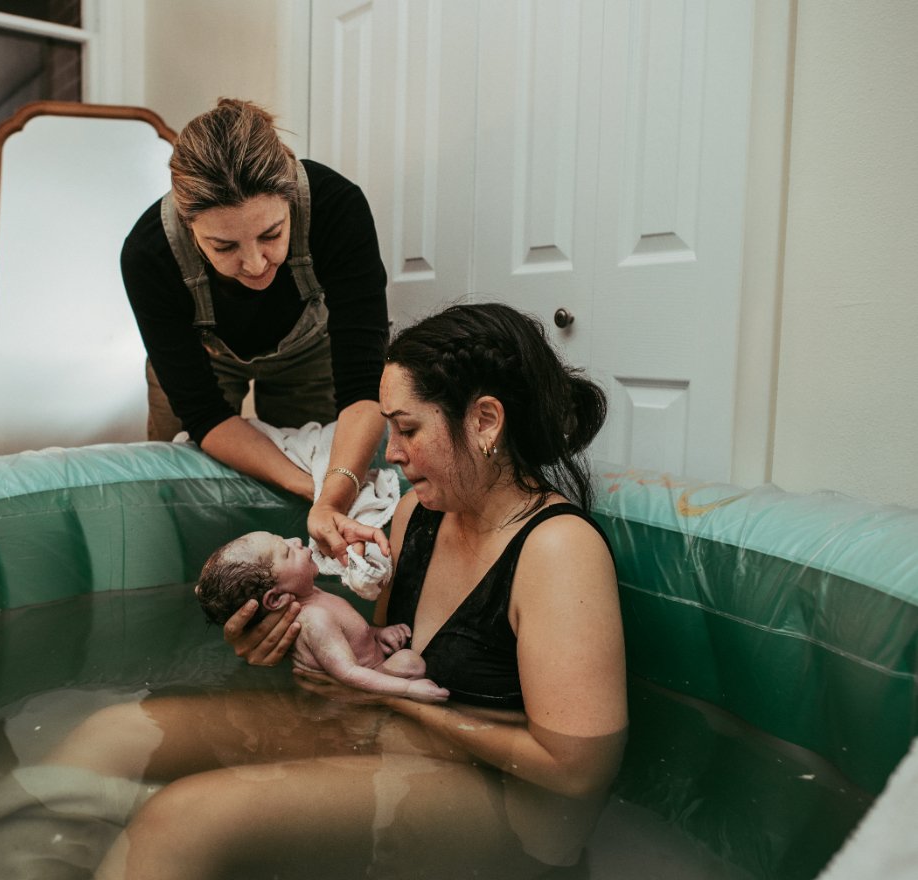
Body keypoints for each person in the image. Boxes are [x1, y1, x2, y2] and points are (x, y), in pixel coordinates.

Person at [49, 302, 627, 879]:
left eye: (407, 429)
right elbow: (370, 653)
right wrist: (287, 639)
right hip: (390, 734)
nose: (391, 453)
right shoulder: (417, 515)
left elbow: (574, 770)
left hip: (502, 803)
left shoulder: (557, 551)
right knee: (115, 734)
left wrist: (395, 701)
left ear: (485, 421)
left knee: (185, 817)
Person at [121, 97, 389, 563]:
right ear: (188, 223)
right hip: (202, 360)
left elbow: (363, 390)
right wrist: (308, 484)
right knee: (180, 491)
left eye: (271, 234)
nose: (255, 263)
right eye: (223, 246)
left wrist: (330, 496)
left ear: (290, 199)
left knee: (319, 473)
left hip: (311, 354)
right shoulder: (149, 254)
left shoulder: (336, 206)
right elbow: (203, 415)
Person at [195, 531, 449, 702]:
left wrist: (377, 634)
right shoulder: (315, 620)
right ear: (275, 599)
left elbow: (348, 634)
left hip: (371, 667)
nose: (296, 540)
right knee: (410, 663)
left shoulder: (312, 595)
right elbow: (348, 673)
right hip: (364, 685)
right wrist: (408, 689)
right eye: (287, 552)